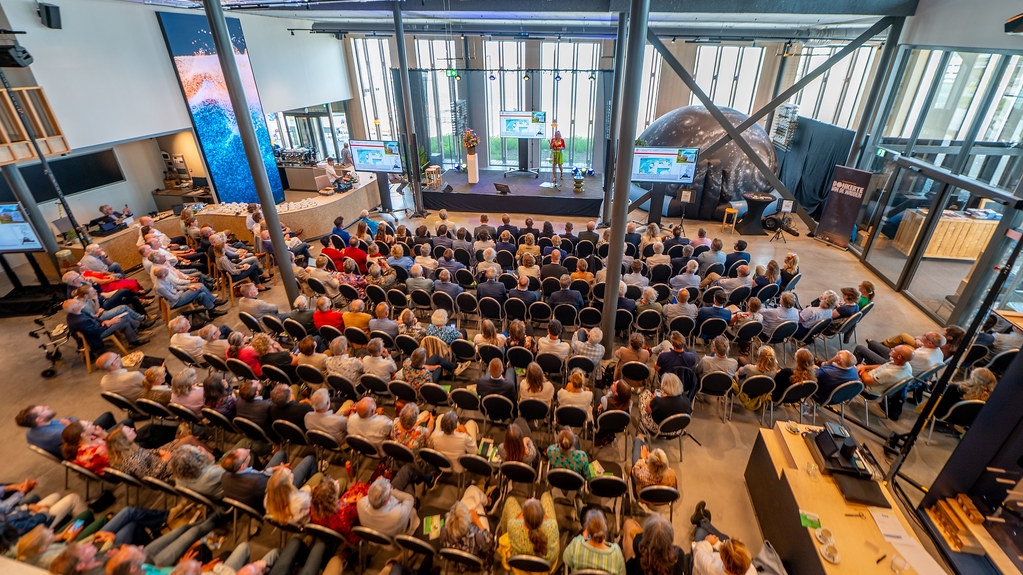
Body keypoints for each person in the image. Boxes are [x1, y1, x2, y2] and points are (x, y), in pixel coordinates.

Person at [690, 502, 756, 575]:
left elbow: (698, 553)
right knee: (725, 538)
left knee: (701, 531)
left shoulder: (710, 568)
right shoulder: (751, 571)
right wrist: (718, 544)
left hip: (700, 564)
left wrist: (707, 542)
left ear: (723, 558)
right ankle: (703, 521)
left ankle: (702, 521)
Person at [499, 494, 560, 573]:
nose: (533, 497)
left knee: (510, 500)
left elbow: (515, 520)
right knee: (546, 496)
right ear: (543, 517)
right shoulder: (552, 527)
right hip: (543, 568)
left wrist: (526, 513)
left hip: (519, 567)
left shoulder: (513, 527)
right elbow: (554, 555)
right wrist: (537, 514)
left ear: (523, 517)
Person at [64, 298, 149, 352]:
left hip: (100, 327)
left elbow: (94, 318)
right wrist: (110, 322)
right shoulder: (79, 320)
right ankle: (139, 326)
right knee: (125, 317)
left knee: (125, 322)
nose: (80, 302)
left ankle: (133, 341)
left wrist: (103, 321)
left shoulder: (76, 313)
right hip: (97, 335)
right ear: (75, 308)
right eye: (78, 303)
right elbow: (96, 332)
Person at [440, 487, 494, 568]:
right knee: (477, 504)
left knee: (471, 497)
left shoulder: (444, 531)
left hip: (455, 560)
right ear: (468, 523)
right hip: (474, 562)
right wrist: (476, 520)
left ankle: (485, 500)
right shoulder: (478, 536)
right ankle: (487, 502)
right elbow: (489, 543)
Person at [562, 509, 626, 575]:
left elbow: (565, 559)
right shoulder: (615, 553)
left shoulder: (576, 545)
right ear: (606, 528)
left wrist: (582, 537)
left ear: (587, 529)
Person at [105, 425, 170, 480]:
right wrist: (164, 461)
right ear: (124, 441)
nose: (132, 429)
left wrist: (157, 452)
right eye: (129, 431)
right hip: (163, 472)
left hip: (158, 460)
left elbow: (145, 452)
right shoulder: (133, 462)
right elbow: (150, 477)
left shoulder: (131, 448)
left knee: (177, 441)